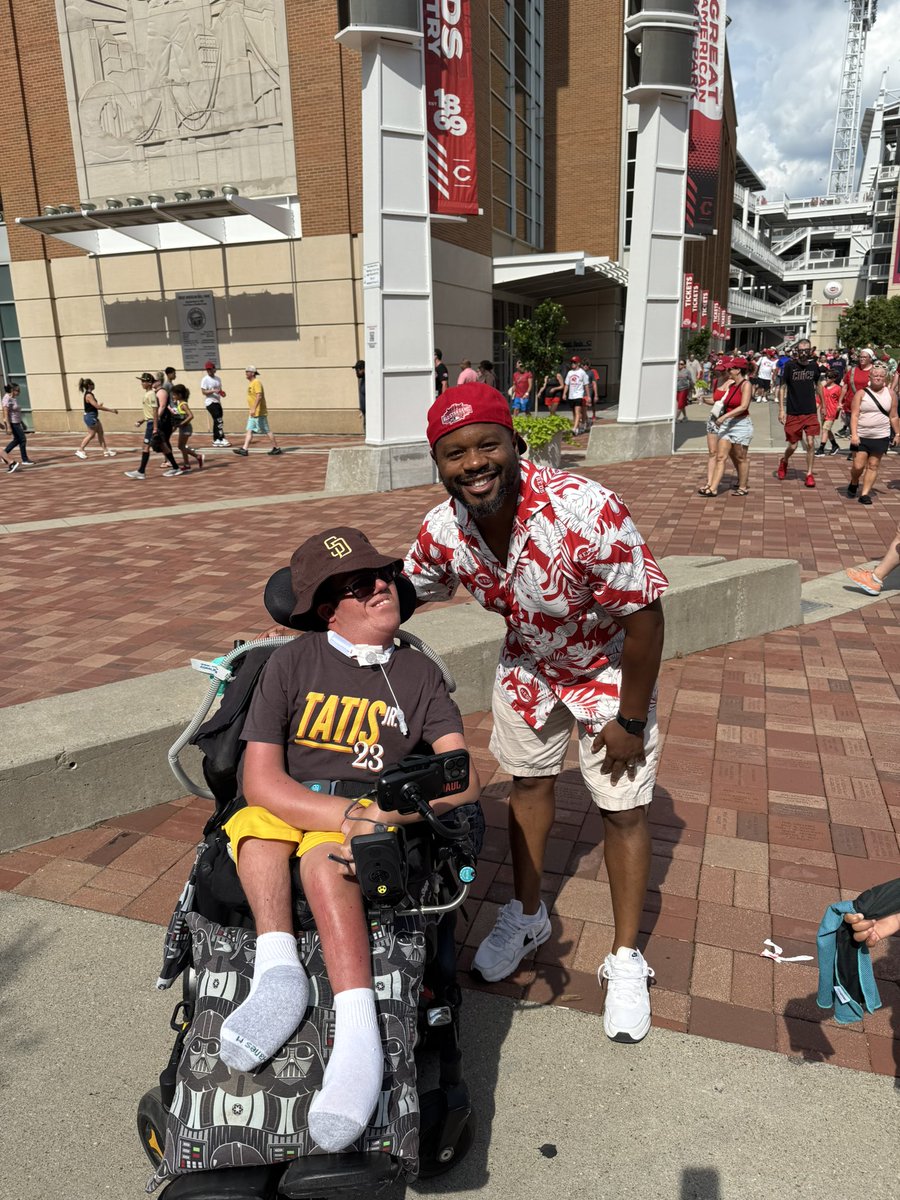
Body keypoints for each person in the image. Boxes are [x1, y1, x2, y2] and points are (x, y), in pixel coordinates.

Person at [405, 384, 667, 1043]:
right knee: (528, 784)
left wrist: (630, 720)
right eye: (454, 453)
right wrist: (336, 605)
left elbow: (645, 620)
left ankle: (626, 957)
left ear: (514, 441)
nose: (473, 463)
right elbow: (408, 587)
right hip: (527, 666)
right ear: (438, 464)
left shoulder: (583, 508)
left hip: (606, 665)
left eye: (486, 444)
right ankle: (527, 916)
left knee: (623, 807)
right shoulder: (445, 528)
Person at [218, 526, 481, 1151]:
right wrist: (338, 813)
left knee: (327, 866)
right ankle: (278, 971)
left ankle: (359, 1035)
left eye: (384, 575)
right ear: (327, 608)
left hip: (372, 808)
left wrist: (389, 815)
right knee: (253, 832)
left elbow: (461, 780)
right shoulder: (290, 662)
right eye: (359, 586)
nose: (380, 587)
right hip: (297, 795)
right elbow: (259, 778)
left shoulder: (417, 675)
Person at [846, 361, 899, 505]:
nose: (878, 377)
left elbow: (893, 416)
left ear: (885, 378)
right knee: (858, 466)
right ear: (870, 376)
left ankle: (865, 493)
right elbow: (855, 415)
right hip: (862, 436)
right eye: (875, 375)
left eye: (881, 376)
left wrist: (898, 434)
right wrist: (854, 434)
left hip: (880, 435)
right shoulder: (861, 393)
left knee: (873, 465)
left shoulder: (891, 394)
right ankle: (854, 481)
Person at [699, 357, 753, 496]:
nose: (728, 371)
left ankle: (743, 486)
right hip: (727, 424)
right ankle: (713, 488)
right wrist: (704, 399)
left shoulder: (746, 384)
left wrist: (724, 417)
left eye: (730, 369)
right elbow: (719, 401)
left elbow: (744, 406)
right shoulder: (731, 385)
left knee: (740, 457)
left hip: (741, 424)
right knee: (721, 456)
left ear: (738, 370)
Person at [777, 338, 822, 489]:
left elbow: (818, 385)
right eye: (801, 350)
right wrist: (781, 409)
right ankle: (784, 461)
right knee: (793, 446)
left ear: (810, 351)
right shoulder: (790, 366)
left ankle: (809, 474)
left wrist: (822, 404)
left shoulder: (814, 366)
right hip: (793, 411)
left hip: (810, 410)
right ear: (797, 351)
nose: (803, 353)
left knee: (810, 443)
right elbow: (782, 387)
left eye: (806, 350)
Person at [124, 371, 183, 480]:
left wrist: (155, 427)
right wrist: (142, 420)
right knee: (163, 446)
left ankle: (141, 471)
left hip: (152, 423)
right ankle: (175, 467)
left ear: (149, 382)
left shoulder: (151, 394)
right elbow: (150, 412)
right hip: (150, 421)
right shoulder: (148, 393)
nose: (141, 383)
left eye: (143, 381)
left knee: (146, 446)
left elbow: (155, 411)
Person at [233, 367, 282, 457]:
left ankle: (276, 448)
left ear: (253, 373)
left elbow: (259, 396)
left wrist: (254, 408)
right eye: (246, 371)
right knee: (249, 430)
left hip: (259, 412)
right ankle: (244, 449)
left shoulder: (257, 382)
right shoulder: (251, 383)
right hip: (253, 412)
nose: (246, 373)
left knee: (266, 430)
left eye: (247, 372)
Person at [74, 378, 118, 459]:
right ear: (89, 385)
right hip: (90, 417)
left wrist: (98, 406)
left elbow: (94, 406)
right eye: (93, 384)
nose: (94, 385)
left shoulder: (90, 394)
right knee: (91, 434)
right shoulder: (89, 395)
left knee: (100, 432)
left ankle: (105, 450)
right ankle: (80, 450)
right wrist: (111, 410)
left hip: (93, 416)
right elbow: (96, 406)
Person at [837, 348, 873, 438]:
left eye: (865, 357)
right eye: (861, 357)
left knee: (864, 432)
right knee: (853, 431)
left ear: (870, 358)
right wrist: (840, 401)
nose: (862, 359)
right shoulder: (852, 370)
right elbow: (845, 387)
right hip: (850, 406)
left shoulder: (874, 371)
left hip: (867, 406)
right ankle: (854, 450)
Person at [170, 384, 204, 472]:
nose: (173, 396)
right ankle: (197, 457)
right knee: (181, 446)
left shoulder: (183, 405)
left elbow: (191, 416)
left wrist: (182, 423)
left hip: (186, 428)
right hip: (183, 428)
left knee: (181, 446)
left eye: (174, 394)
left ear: (179, 395)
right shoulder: (179, 404)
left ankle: (187, 464)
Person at [2, 383, 35, 469]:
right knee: (22, 439)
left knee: (17, 440)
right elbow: (5, 414)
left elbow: (16, 413)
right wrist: (8, 427)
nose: (19, 392)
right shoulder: (7, 399)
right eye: (18, 390)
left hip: (17, 422)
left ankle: (4, 454)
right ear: (13, 390)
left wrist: (22, 423)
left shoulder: (13, 398)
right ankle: (25, 459)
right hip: (12, 423)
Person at [200, 360, 229, 446]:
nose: (208, 371)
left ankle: (216, 439)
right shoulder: (205, 379)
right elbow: (203, 392)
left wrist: (222, 393)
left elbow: (219, 390)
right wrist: (212, 390)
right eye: (207, 369)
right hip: (210, 402)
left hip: (217, 402)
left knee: (217, 421)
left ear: (214, 369)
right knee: (219, 420)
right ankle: (221, 438)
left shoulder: (218, 379)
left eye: (210, 369)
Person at [815, 369, 843, 457]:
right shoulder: (823, 388)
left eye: (829, 377)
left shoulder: (838, 389)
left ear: (834, 379)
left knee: (825, 429)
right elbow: (818, 400)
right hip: (823, 412)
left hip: (832, 411)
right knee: (826, 429)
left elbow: (841, 400)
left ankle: (821, 449)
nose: (827, 378)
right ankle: (835, 445)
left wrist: (840, 407)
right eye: (826, 376)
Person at [563, 355, 590, 435]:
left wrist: (588, 396)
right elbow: (567, 384)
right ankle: (577, 427)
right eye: (571, 362)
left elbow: (586, 385)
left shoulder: (582, 372)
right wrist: (564, 393)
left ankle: (574, 428)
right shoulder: (570, 373)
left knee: (578, 412)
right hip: (571, 396)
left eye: (574, 362)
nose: (572, 364)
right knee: (574, 413)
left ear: (578, 363)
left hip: (579, 395)